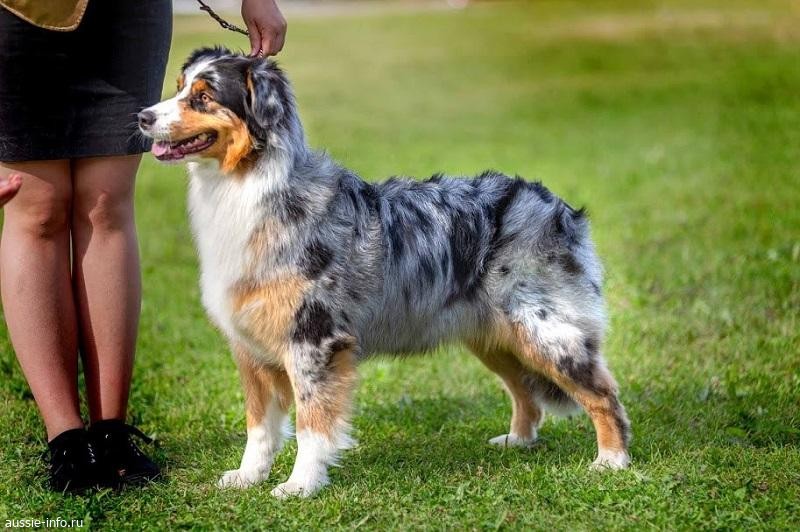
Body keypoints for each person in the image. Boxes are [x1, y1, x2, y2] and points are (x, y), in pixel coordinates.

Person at [0, 0, 287, 492]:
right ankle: (66, 439)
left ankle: (111, 433)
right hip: (19, 10)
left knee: (106, 206)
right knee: (39, 210)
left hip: (128, 11)